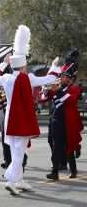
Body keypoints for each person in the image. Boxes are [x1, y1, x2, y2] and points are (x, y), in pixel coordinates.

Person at [0, 25, 61, 195]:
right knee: (19, 152)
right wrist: (54, 66)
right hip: (23, 119)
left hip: (10, 118)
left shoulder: (6, 78)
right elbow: (50, 78)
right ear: (23, 67)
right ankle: (11, 179)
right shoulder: (28, 78)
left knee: (17, 149)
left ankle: (20, 180)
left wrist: (3, 63)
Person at [42, 50, 84, 180]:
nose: (61, 79)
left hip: (67, 122)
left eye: (64, 77)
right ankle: (55, 171)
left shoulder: (74, 90)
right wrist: (46, 89)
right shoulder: (57, 88)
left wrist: (57, 91)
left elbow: (70, 100)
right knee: (56, 145)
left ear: (70, 80)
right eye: (61, 77)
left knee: (68, 146)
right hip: (56, 121)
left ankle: (73, 169)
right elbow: (44, 99)